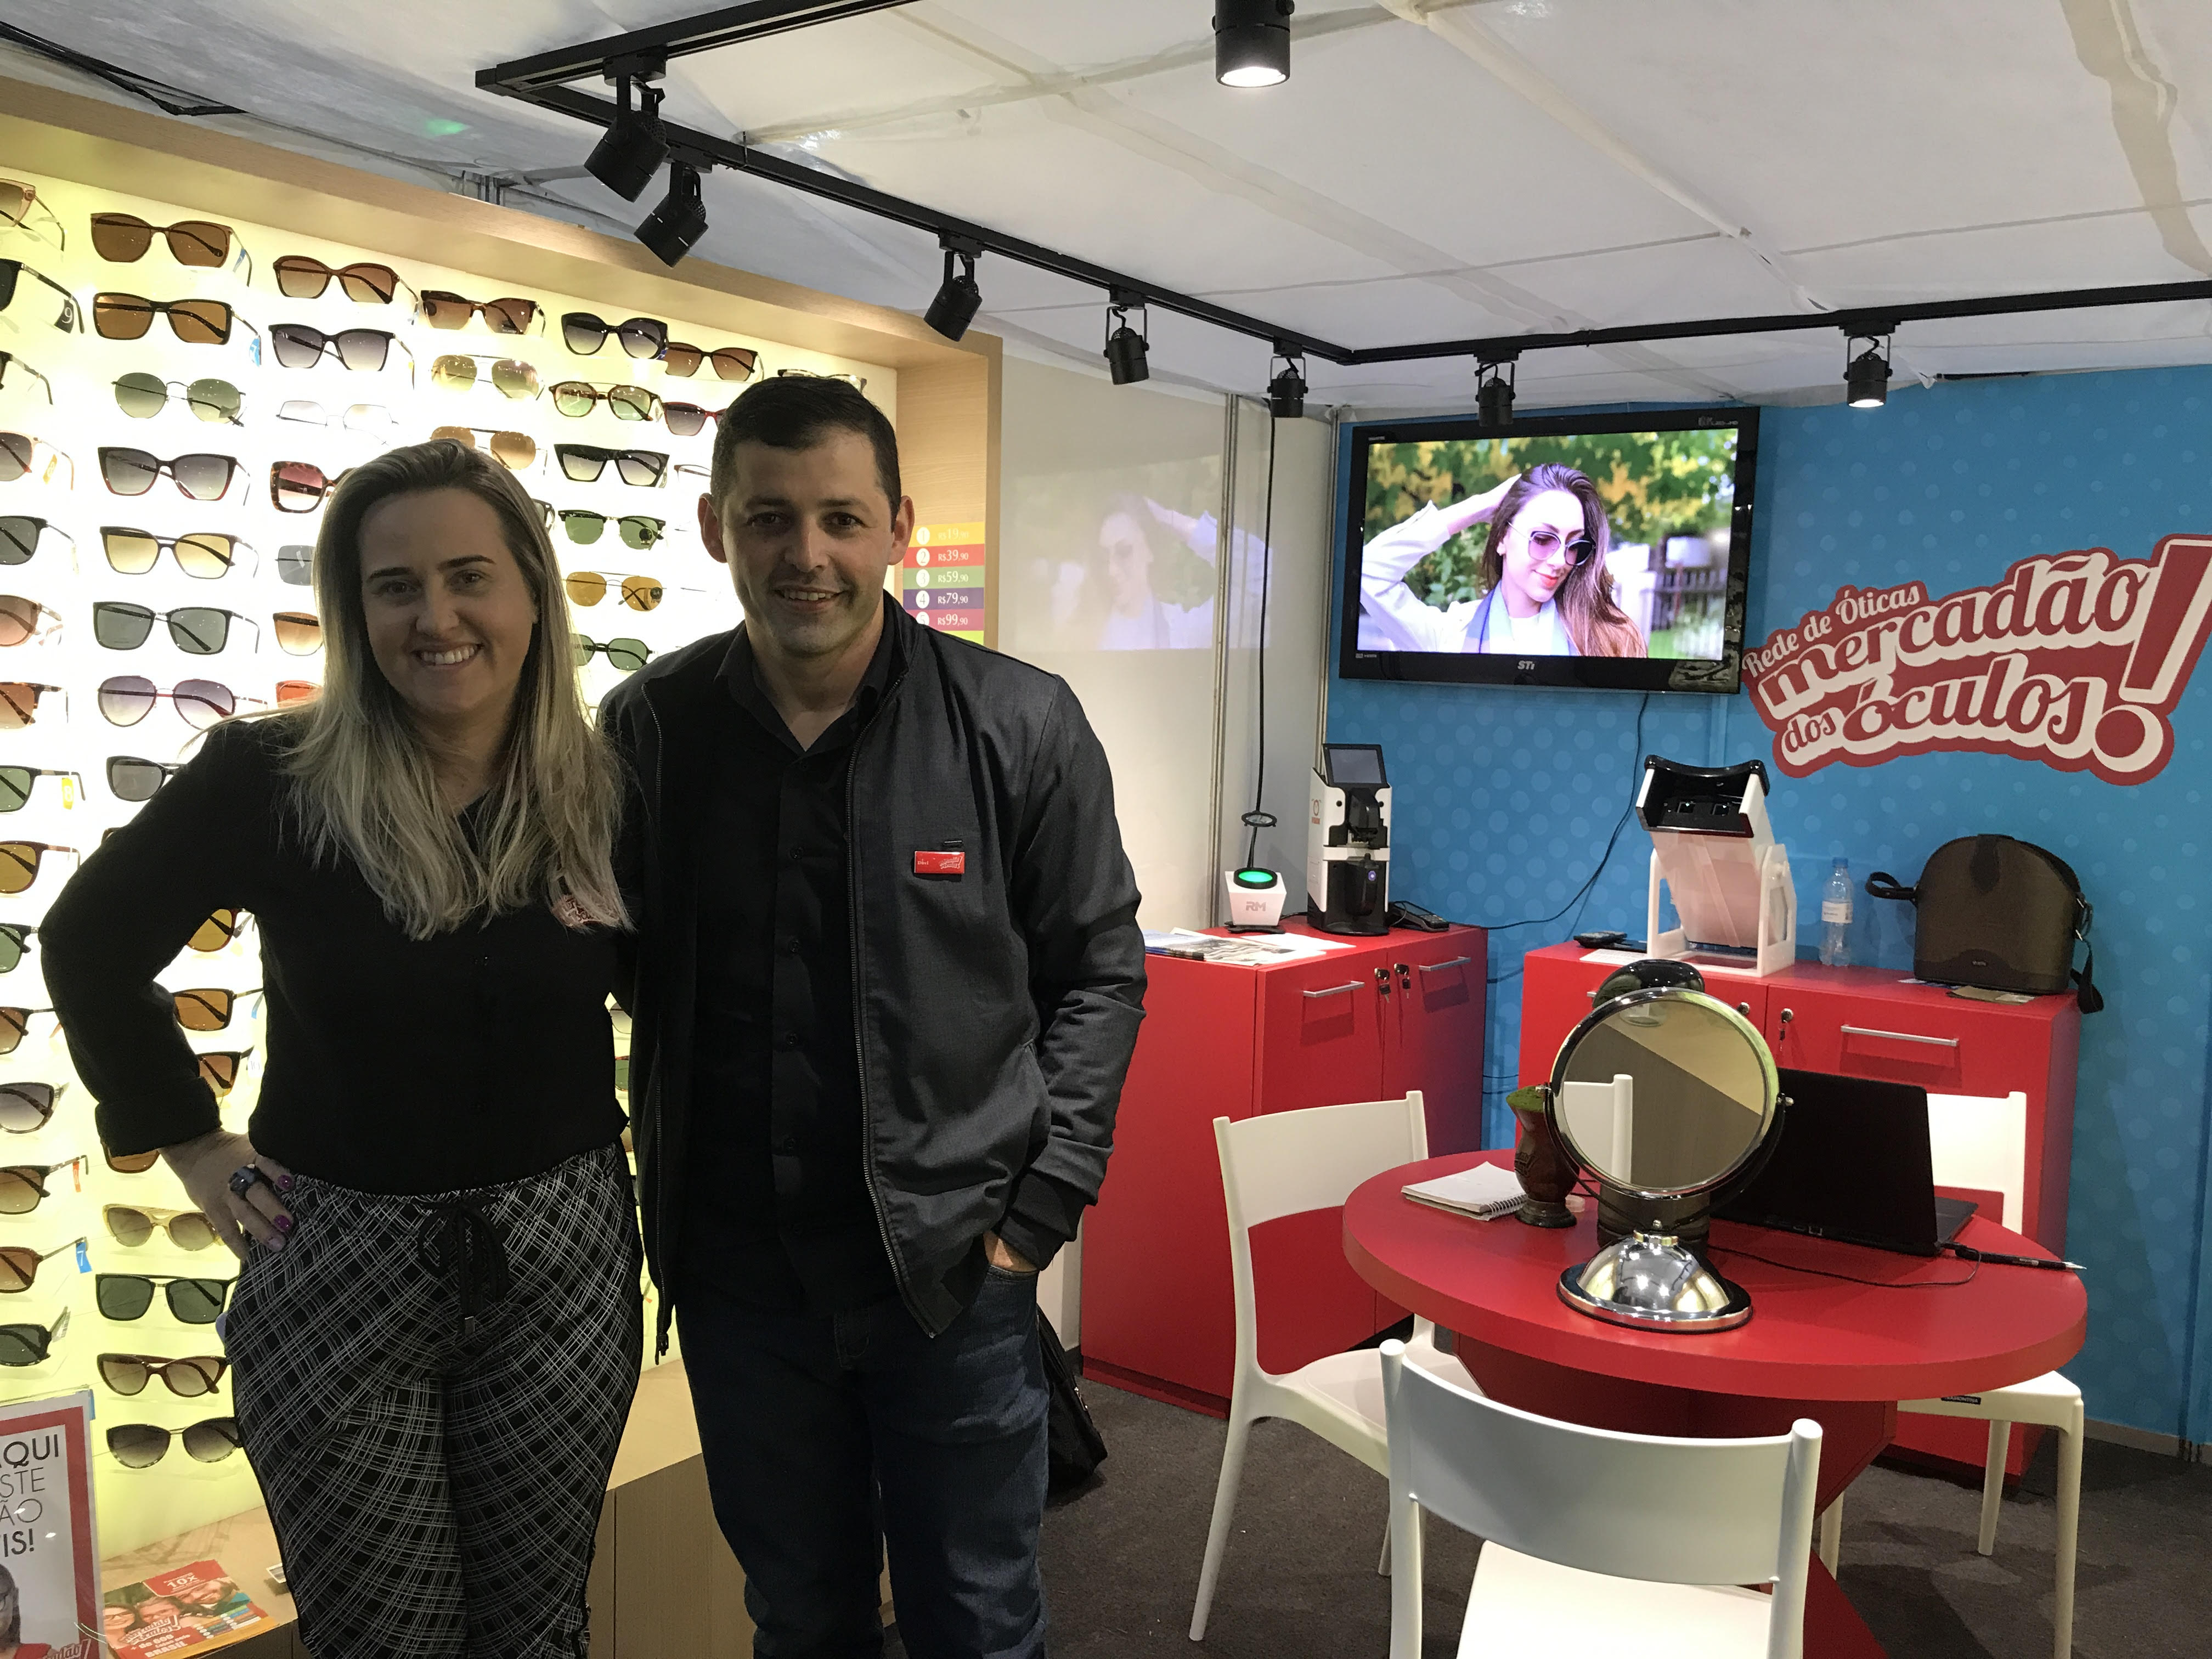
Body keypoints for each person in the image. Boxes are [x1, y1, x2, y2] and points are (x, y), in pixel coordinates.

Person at [42, 439, 641, 1659]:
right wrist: (191, 1144)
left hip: (565, 1258)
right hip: (337, 1264)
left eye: (469, 577)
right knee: (383, 1635)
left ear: (533, 592)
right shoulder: (273, 778)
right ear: (354, 613)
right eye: (395, 587)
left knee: (538, 1630)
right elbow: (90, 943)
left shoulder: (605, 786)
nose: (437, 618)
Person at [601, 375, 1146, 1659]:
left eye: (841, 518)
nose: (808, 554)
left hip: (953, 1279)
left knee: (978, 1620)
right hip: (741, 1286)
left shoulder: (1019, 722)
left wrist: (1039, 1212)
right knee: (802, 1618)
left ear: (898, 527)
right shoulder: (650, 731)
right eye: (770, 518)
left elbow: (1098, 971)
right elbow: (611, 961)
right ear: (716, 528)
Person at [1359, 461, 1646, 656]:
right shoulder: (1452, 635)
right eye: (1543, 539)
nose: (1561, 561)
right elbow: (1369, 570)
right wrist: (1481, 506)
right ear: (1502, 539)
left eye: (1574, 545)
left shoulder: (1609, 637)